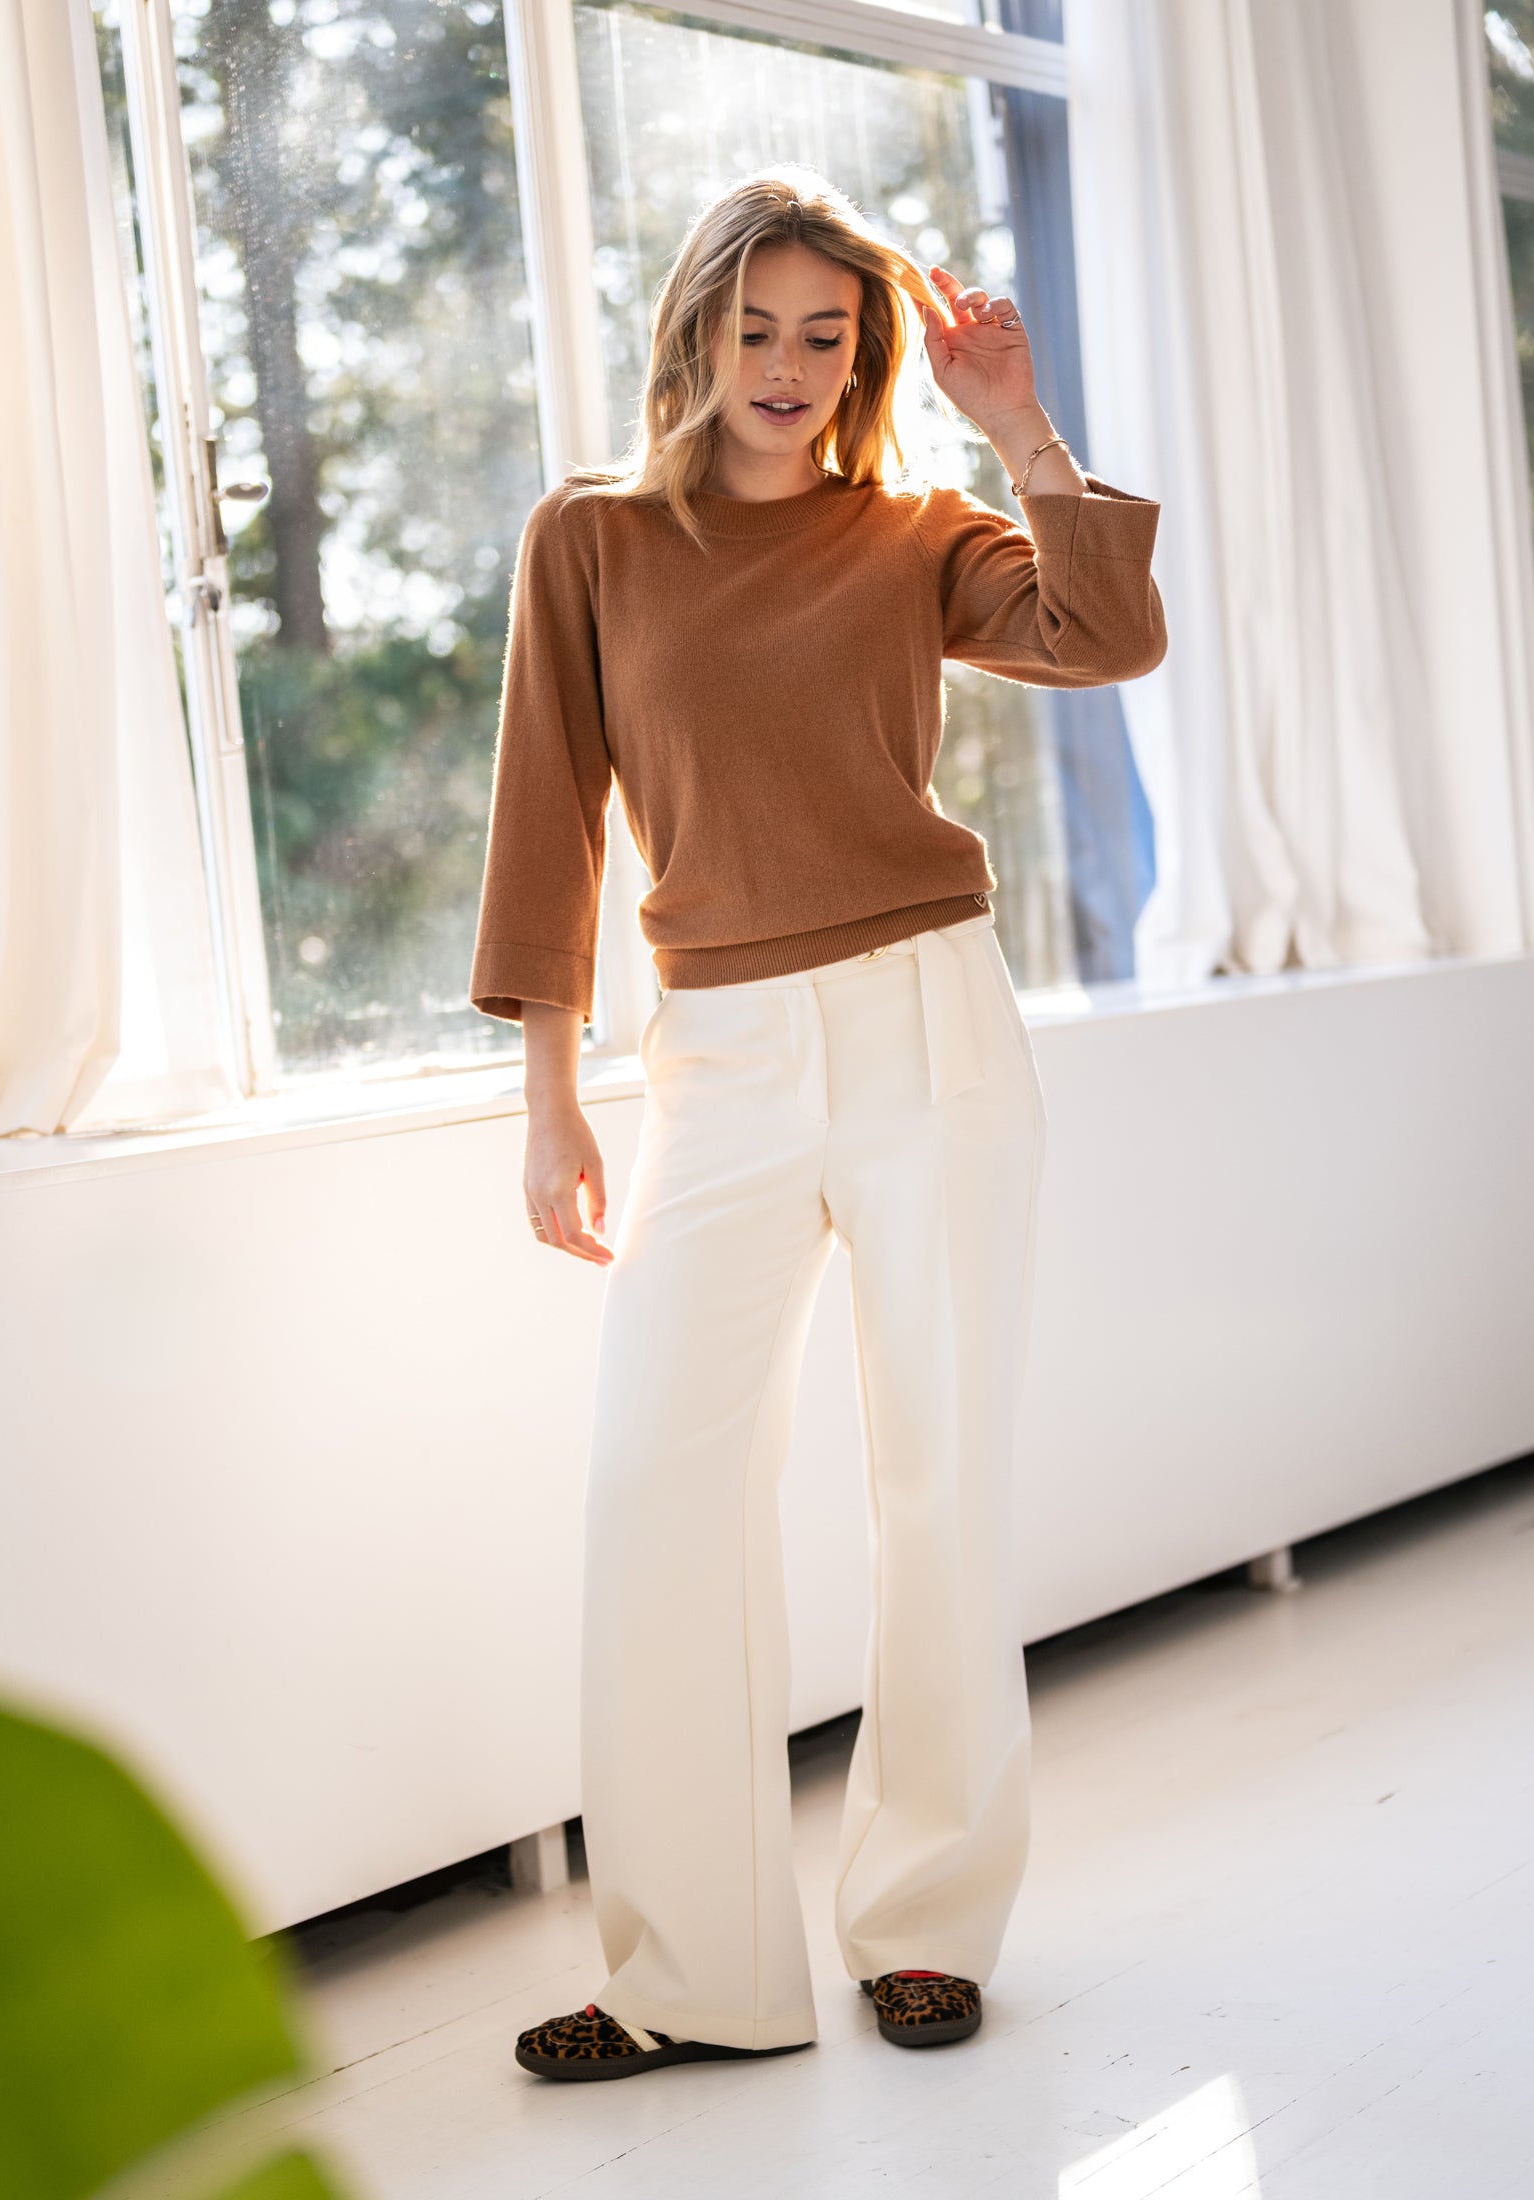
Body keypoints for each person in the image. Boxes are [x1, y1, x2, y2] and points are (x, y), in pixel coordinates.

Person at [469, 165, 1165, 2083]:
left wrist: (1016, 422)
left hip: (932, 1022)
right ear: (696, 328)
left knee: (937, 1475)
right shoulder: (589, 542)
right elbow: (548, 824)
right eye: (756, 326)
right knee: (656, 1491)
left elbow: (1109, 637)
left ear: (865, 359)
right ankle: (690, 1974)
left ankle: (925, 1923)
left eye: (826, 336)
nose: (788, 365)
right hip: (721, 1058)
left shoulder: (916, 532)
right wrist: (550, 1097)